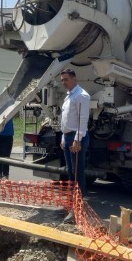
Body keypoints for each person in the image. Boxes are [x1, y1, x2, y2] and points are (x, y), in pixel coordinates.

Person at [59, 68, 91, 196]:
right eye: (62, 80)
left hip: (76, 137)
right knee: (70, 171)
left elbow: (83, 119)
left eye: (66, 79)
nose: (64, 82)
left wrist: (77, 139)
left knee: (77, 171)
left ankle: (79, 201)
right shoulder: (69, 96)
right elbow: (65, 119)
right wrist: (63, 137)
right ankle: (73, 200)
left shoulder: (81, 95)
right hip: (67, 136)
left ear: (74, 79)